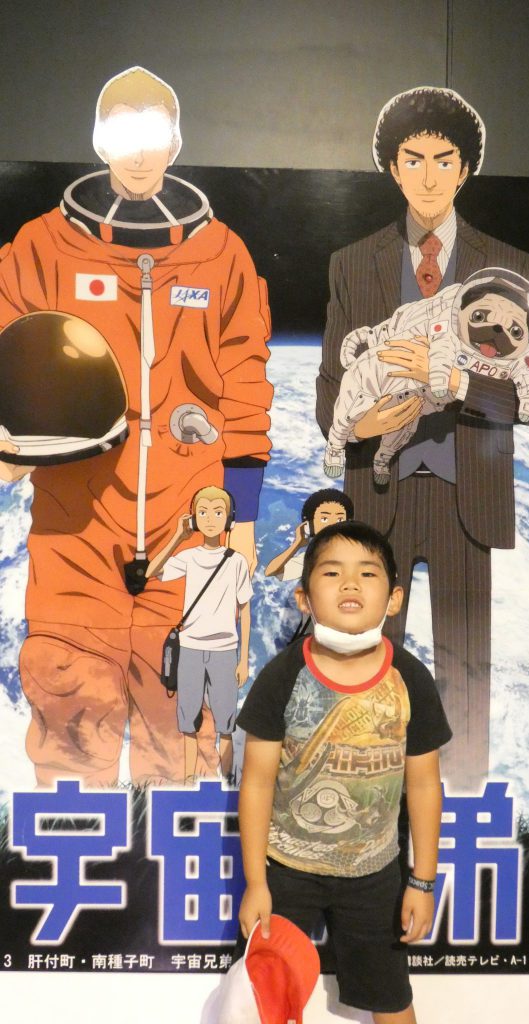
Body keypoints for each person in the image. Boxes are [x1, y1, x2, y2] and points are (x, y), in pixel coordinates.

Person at [0, 66, 273, 787]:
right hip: (77, 526)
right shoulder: (42, 249)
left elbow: (245, 392)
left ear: (177, 141)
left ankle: (172, 856)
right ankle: (73, 855)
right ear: (98, 139)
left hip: (191, 531)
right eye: (124, 132)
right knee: (69, 714)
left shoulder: (222, 256)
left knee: (184, 730)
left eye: (155, 133)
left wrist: (242, 523)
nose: (141, 152)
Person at [316, 86, 529, 789]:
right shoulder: (352, 261)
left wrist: (451, 383)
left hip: (464, 498)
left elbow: (528, 401)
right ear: (391, 167)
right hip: (375, 496)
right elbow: (329, 386)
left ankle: (465, 808)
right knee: (360, 664)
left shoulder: (511, 265)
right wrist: (360, 425)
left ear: (465, 169)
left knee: (464, 676)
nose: (428, 175)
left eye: (443, 160)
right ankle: (355, 805)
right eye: (412, 159)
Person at [236, 520, 452, 1024]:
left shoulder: (410, 678)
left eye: (367, 574)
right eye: (332, 573)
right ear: (304, 597)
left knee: (392, 999)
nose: (350, 584)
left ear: (394, 599)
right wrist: (256, 883)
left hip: (374, 877)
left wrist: (422, 883)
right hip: (286, 872)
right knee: (264, 999)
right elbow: (257, 783)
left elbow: (424, 786)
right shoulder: (282, 677)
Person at [324, 268, 529, 484]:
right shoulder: (444, 324)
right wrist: (360, 430)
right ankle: (336, 446)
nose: (496, 330)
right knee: (353, 407)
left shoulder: (518, 359)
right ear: (460, 311)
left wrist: (456, 381)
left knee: (403, 431)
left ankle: (382, 459)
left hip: (431, 410)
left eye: (515, 332)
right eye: (480, 317)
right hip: (386, 372)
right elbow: (438, 349)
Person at [147, 486, 251, 783]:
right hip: (190, 648)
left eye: (218, 512)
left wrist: (243, 659)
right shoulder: (189, 556)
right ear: (193, 519)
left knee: (225, 723)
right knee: (188, 721)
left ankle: (227, 780)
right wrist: (178, 537)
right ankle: (189, 780)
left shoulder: (236, 561)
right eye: (202, 512)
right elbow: (151, 572)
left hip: (224, 650)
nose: (210, 519)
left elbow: (244, 610)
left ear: (229, 518)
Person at [264, 487, 354, 581]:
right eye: (324, 519)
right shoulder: (311, 559)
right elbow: (271, 571)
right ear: (309, 525)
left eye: (340, 519)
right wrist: (297, 544)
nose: (332, 525)